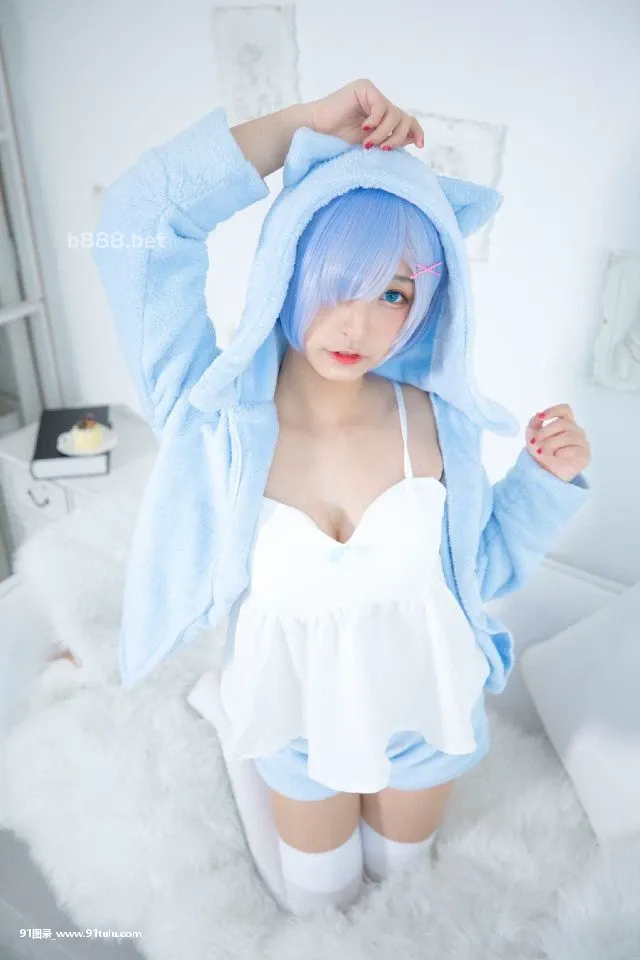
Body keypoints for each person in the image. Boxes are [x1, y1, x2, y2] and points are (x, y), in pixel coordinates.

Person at [92, 79, 592, 916]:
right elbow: (137, 222)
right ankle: (231, 711)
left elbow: (480, 570)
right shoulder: (213, 413)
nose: (358, 325)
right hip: (296, 724)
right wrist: (299, 127)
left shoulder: (434, 419)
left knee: (398, 896)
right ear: (286, 264)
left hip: (425, 714)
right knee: (315, 907)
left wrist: (546, 480)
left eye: (394, 293)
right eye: (337, 280)